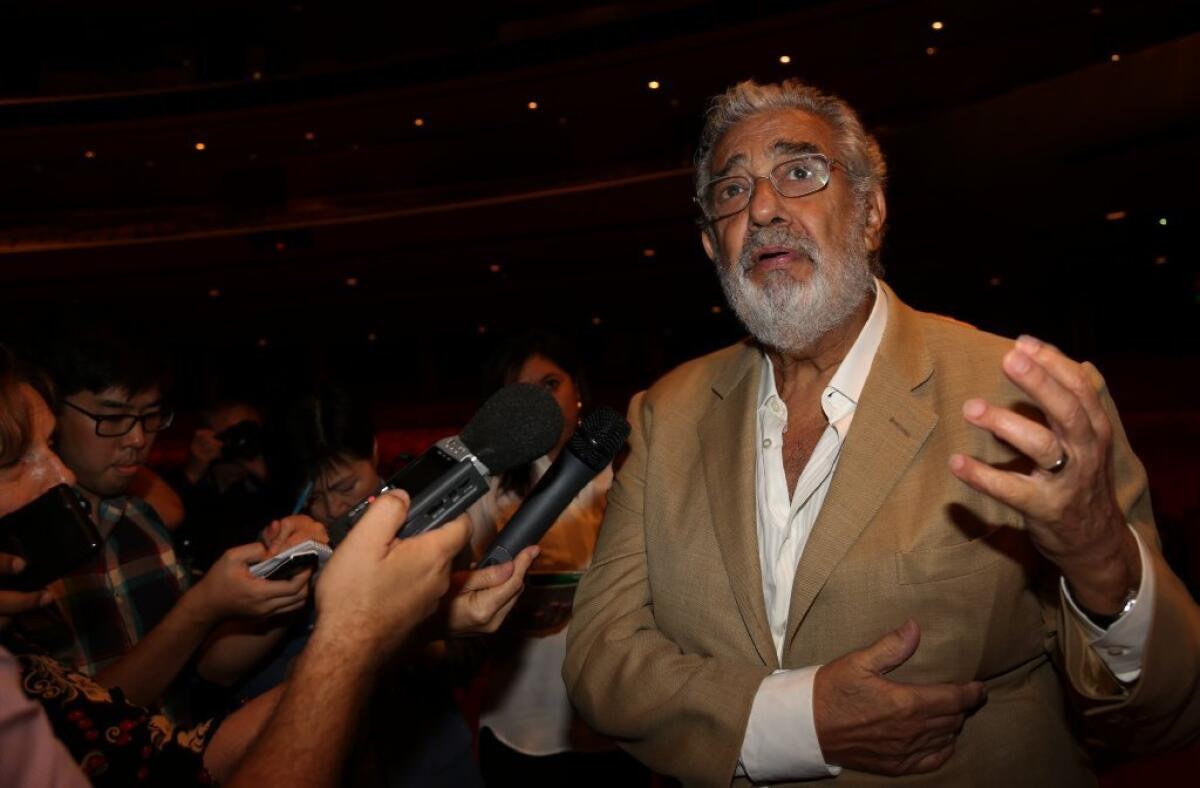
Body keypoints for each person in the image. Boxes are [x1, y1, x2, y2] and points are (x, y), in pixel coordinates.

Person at [564, 79, 1200, 787]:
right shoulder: (665, 412)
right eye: (731, 191)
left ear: (870, 214)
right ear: (714, 244)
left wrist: (1102, 562)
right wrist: (797, 719)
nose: (763, 207)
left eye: (799, 173)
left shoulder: (1020, 398)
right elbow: (600, 656)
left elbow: (1170, 713)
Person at [14, 326, 319, 722]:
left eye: (149, 416)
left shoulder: (143, 518)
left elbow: (209, 669)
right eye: (112, 417)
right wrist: (197, 609)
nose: (138, 438)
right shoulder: (23, 554)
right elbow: (79, 725)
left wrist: (285, 579)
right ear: (52, 412)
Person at [283, 384, 539, 786]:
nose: (333, 509)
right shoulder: (295, 540)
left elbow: (469, 656)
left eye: (346, 487)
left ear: (373, 451)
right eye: (314, 496)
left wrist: (411, 637)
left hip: (426, 756)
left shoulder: (431, 515)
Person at [468, 334, 646, 786]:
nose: (542, 403)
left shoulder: (629, 475)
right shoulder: (487, 491)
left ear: (578, 390)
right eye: (523, 394)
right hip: (518, 721)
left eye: (551, 384)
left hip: (616, 721)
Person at [167, 398, 282, 572]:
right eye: (233, 433)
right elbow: (160, 524)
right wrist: (192, 473)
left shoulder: (266, 492)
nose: (242, 441)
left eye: (250, 432)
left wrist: (266, 474)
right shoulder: (185, 487)